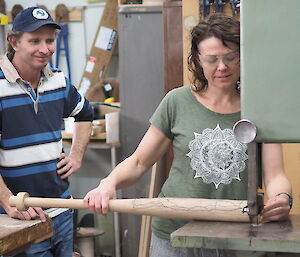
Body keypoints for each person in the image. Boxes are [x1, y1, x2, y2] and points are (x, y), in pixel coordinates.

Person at [83, 13, 292, 257]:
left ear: (242, 56)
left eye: (230, 57)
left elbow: (276, 175)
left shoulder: (260, 108)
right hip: (174, 235)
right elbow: (140, 162)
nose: (222, 67)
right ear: (198, 60)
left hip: (236, 236)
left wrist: (282, 198)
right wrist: (108, 183)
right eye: (212, 59)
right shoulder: (177, 101)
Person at [0, 6, 93, 257]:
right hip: (20, 218)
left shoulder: (59, 82)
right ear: (14, 42)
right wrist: (9, 202)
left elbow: (86, 113)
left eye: (50, 40)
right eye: (35, 41)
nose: (45, 48)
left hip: (61, 208)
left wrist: (76, 155)